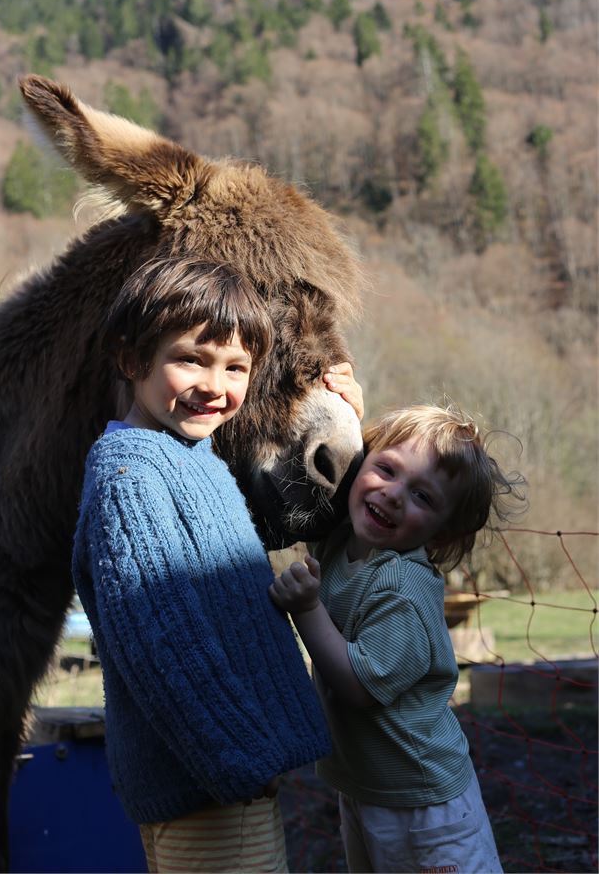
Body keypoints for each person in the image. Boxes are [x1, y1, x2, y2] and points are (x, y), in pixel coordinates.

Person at [72, 257, 362, 873]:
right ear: (131, 361)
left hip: (226, 776)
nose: (216, 386)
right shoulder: (133, 477)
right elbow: (162, 646)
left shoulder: (189, 455)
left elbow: (228, 555)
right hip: (211, 786)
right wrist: (240, 761)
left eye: (236, 368)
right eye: (191, 360)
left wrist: (350, 417)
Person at [269, 403, 527, 874]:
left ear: (442, 533)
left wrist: (306, 609)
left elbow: (359, 687)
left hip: (422, 804)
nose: (392, 495)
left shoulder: (403, 587)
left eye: (423, 498)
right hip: (366, 787)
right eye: (386, 469)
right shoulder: (339, 541)